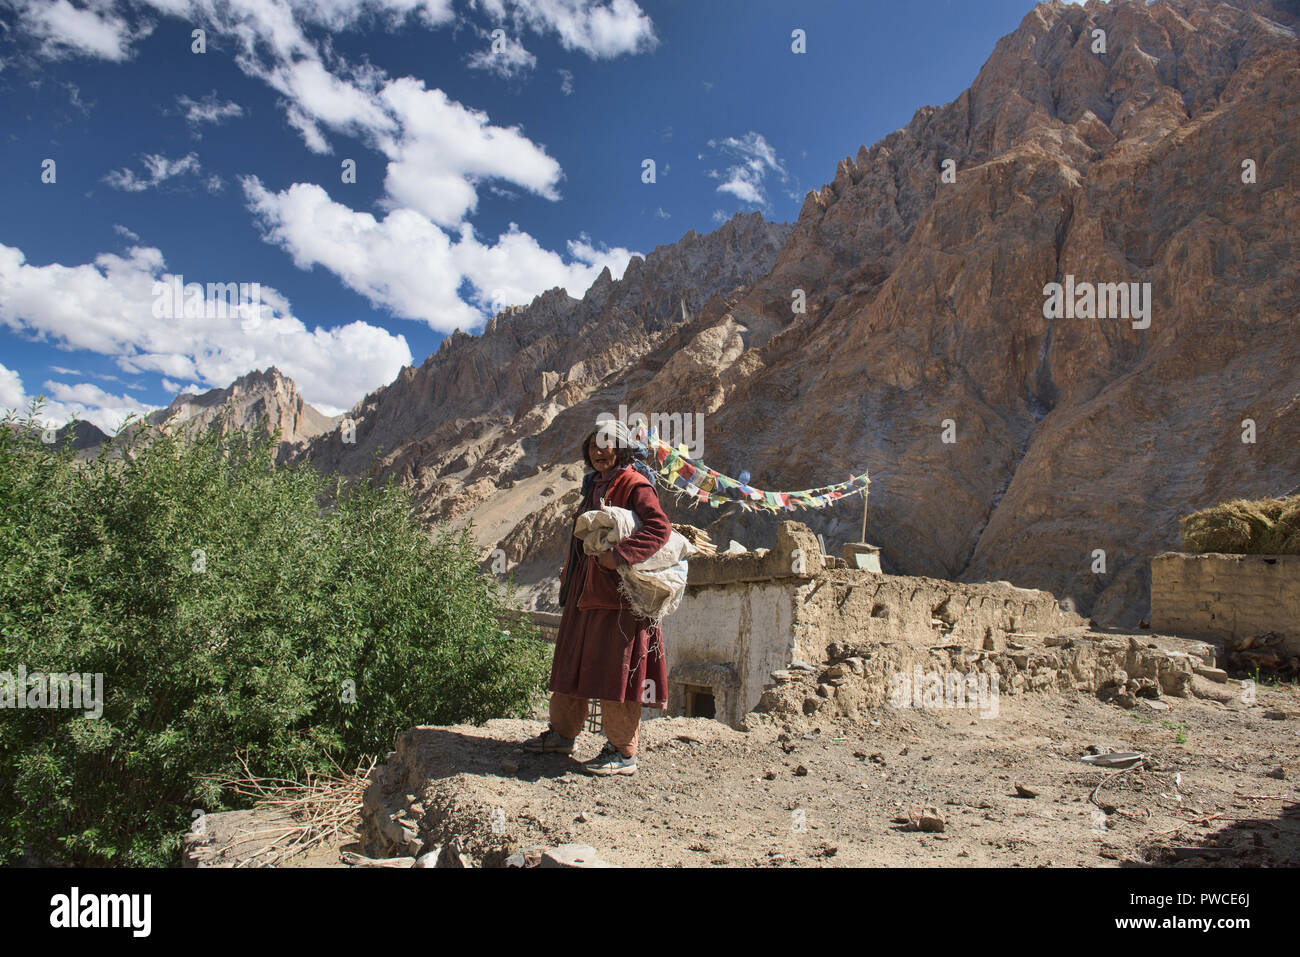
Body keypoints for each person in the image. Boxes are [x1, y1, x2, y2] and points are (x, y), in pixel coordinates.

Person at [522, 427, 672, 775]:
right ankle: (562, 734)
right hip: (583, 591)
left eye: (606, 447)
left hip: (618, 598)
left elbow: (658, 528)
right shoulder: (594, 485)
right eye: (592, 446)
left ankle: (622, 752)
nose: (598, 453)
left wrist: (619, 555)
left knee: (615, 672)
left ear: (620, 450)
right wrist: (570, 568)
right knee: (572, 663)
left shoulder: (635, 484)